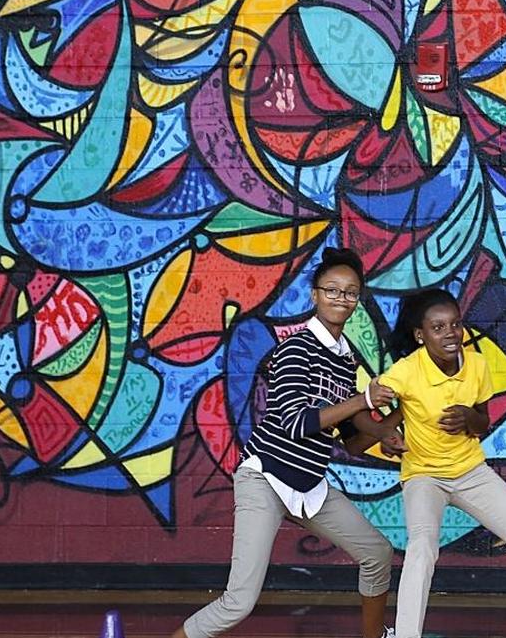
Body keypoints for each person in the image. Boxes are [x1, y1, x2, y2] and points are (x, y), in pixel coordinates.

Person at [172, 248, 404, 638]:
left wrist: (396, 421)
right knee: (238, 602)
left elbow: (351, 443)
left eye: (350, 292)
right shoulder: (298, 348)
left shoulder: (344, 359)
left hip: (308, 485)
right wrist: (365, 399)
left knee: (376, 553)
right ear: (314, 294)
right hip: (266, 478)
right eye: (332, 290)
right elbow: (296, 423)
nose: (341, 299)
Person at [378, 289, 506, 638]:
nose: (450, 334)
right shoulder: (406, 371)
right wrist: (384, 433)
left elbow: (483, 421)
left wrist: (470, 416)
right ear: (420, 336)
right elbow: (370, 406)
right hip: (424, 476)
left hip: (471, 472)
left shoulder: (477, 365)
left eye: (455, 324)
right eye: (438, 327)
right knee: (422, 549)